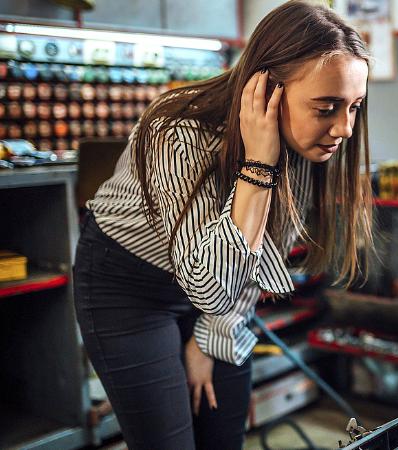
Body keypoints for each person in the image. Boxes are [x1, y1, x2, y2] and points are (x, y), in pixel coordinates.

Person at [73, 2, 373, 449]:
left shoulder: (309, 147)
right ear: (267, 91)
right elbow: (208, 285)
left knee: (222, 435)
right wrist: (258, 166)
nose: (345, 129)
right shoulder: (178, 131)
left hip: (216, 290)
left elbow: (254, 261)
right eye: (327, 107)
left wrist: (207, 338)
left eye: (354, 107)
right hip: (128, 287)